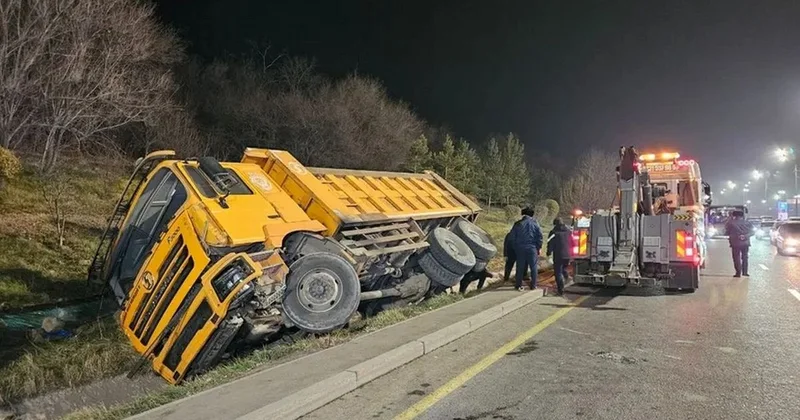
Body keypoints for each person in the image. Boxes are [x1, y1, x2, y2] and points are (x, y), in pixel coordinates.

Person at [511, 207, 543, 291]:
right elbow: (539, 237)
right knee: (533, 267)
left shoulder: (518, 224)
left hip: (520, 248)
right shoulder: (535, 223)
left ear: (523, 214)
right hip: (532, 248)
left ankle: (518, 285)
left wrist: (515, 247)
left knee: (520, 267)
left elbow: (512, 237)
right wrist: (539, 247)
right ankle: (533, 285)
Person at [546, 217, 572, 296]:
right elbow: (573, 242)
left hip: (558, 255)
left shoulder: (553, 232)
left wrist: (548, 253)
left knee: (558, 272)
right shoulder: (568, 231)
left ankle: (561, 290)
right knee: (564, 268)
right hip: (568, 255)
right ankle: (567, 278)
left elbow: (550, 244)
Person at [725, 210, 753, 277]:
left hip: (735, 243)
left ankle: (738, 273)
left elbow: (727, 232)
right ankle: (745, 272)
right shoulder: (747, 222)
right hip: (745, 242)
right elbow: (752, 232)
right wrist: (745, 236)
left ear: (734, 215)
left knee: (736, 258)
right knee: (745, 257)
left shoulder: (731, 223)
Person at [502, 218, 523, 282]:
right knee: (510, 266)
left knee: (511, 266)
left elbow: (505, 244)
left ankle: (508, 278)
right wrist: (505, 254)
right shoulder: (510, 234)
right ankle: (507, 278)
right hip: (512, 253)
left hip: (514, 253)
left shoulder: (510, 234)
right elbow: (505, 245)